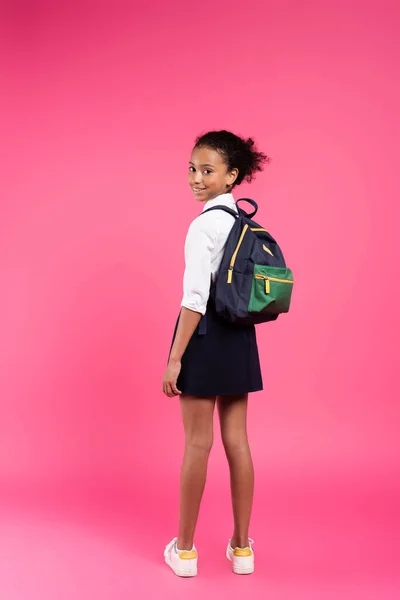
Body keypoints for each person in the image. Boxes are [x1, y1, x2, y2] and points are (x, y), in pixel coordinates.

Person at [162, 130, 269, 577]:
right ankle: (242, 548)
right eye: (192, 168)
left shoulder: (203, 225)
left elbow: (193, 298)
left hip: (204, 337)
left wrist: (174, 356)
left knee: (196, 444)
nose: (196, 178)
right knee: (238, 442)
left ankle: (185, 552)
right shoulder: (243, 223)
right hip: (240, 338)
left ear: (232, 176)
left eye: (208, 170)